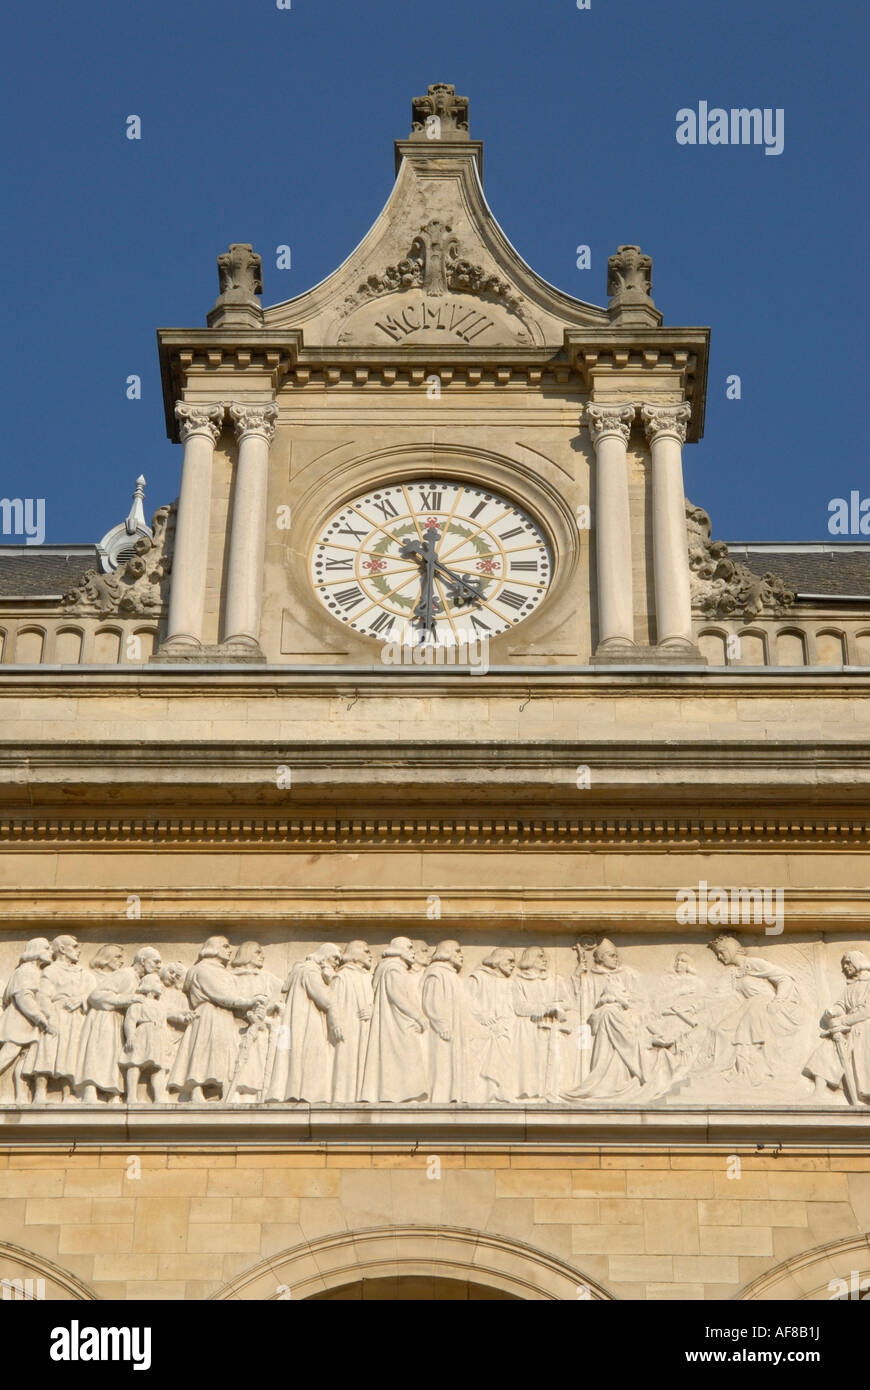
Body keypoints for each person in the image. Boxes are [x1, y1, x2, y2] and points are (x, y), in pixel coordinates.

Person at [707, 934, 801, 1084]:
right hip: (748, 1006)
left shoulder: (753, 963)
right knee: (721, 1029)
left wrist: (778, 1001)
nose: (719, 957)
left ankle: (749, 1071)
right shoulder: (735, 973)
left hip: (762, 1004)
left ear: (731, 950)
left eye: (721, 952)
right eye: (717, 953)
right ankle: (721, 1068)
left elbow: (784, 978)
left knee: (745, 1028)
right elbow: (726, 997)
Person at [562, 940, 647, 1102]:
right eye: (611, 955)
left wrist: (633, 1015)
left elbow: (639, 1000)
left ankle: (626, 1077)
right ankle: (603, 1080)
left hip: (625, 1022)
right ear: (601, 957)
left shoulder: (627, 974)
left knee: (612, 1018)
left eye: (616, 955)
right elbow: (577, 999)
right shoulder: (591, 978)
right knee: (608, 1018)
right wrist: (577, 976)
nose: (616, 959)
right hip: (603, 1025)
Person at [168, 937, 251, 1102]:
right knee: (203, 1050)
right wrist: (248, 1002)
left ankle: (225, 1090)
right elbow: (220, 994)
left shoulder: (221, 971)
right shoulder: (204, 969)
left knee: (226, 1052)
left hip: (225, 1016)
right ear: (214, 948)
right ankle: (196, 1090)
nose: (230, 950)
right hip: (209, 1014)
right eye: (225, 946)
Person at [77, 946, 162, 1102]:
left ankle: (113, 1094)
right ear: (143, 960)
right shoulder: (126, 974)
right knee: (101, 1054)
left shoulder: (140, 980)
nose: (159, 966)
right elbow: (96, 995)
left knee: (115, 1058)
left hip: (120, 1021)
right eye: (155, 962)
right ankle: (90, 1092)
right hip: (105, 1018)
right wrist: (127, 999)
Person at [266, 944, 343, 1103]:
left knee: (298, 1055)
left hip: (299, 1019)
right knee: (313, 1053)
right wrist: (332, 981)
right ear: (325, 956)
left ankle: (296, 1091)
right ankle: (310, 1094)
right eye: (335, 958)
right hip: (308, 1020)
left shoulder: (301, 969)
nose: (337, 963)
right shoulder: (310, 970)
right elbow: (325, 999)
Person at [360, 937, 427, 1103]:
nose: (413, 952)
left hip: (395, 1021)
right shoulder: (394, 968)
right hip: (398, 1023)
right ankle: (403, 1095)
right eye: (409, 948)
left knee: (394, 1058)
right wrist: (418, 1016)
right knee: (405, 1057)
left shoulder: (388, 967)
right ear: (399, 949)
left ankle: (396, 1094)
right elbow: (398, 996)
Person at [27, 935, 93, 1102]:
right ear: (62, 949)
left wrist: (81, 999)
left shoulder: (83, 973)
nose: (79, 950)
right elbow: (43, 996)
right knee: (47, 1052)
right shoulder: (51, 970)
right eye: (75, 946)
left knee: (71, 1054)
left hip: (76, 1017)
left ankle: (67, 1094)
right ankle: (40, 1092)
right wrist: (50, 1016)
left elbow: (94, 994)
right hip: (56, 1014)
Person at [803, 950, 870, 1105]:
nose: (845, 967)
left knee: (864, 1065)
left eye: (848, 963)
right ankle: (819, 1092)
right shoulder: (852, 985)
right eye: (844, 964)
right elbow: (842, 1004)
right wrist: (833, 1011)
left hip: (864, 1030)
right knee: (826, 1051)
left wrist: (843, 1021)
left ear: (857, 962)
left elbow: (867, 1010)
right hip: (848, 1030)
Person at [0, 939, 57, 1103]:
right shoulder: (27, 970)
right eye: (46, 949)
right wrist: (41, 1019)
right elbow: (24, 997)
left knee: (25, 1060)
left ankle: (21, 1097)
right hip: (18, 1022)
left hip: (28, 1024)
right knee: (7, 1056)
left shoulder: (33, 970)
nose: (50, 952)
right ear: (36, 951)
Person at [512, 946, 571, 1101]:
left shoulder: (555, 979)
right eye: (540, 956)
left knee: (553, 1060)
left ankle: (551, 1093)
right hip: (529, 1028)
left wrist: (553, 1006)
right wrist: (545, 1007)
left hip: (553, 1025)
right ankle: (533, 1094)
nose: (545, 959)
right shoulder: (519, 981)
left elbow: (568, 1002)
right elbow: (519, 1007)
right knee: (532, 1062)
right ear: (530, 959)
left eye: (544, 956)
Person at [422, 940, 474, 1103]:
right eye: (457, 951)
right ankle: (441, 1096)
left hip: (457, 1028)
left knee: (454, 1061)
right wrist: (441, 1025)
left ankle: (455, 1094)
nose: (461, 955)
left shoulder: (452, 975)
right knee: (442, 1061)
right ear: (446, 952)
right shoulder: (436, 972)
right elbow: (431, 1001)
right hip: (443, 1030)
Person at [229, 942, 283, 1100]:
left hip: (261, 1028)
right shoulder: (231, 978)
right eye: (257, 952)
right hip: (237, 1028)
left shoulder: (267, 978)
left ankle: (254, 1096)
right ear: (246, 953)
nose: (262, 956)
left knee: (257, 1065)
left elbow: (282, 995)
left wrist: (271, 1008)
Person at [467, 947, 517, 1102]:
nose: (513, 965)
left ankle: (500, 1092)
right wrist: (480, 1015)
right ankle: (482, 1094)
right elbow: (466, 1000)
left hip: (501, 1030)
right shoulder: (478, 977)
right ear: (498, 960)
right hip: (480, 1029)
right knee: (479, 1062)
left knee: (502, 1061)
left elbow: (511, 1009)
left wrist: (503, 1025)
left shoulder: (508, 983)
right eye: (510, 961)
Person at [331, 941, 374, 1103]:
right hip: (348, 1027)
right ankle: (343, 1098)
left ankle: (364, 1095)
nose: (371, 955)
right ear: (355, 954)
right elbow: (332, 1003)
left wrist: (372, 1010)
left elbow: (378, 1002)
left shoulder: (369, 977)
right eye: (366, 951)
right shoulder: (342, 976)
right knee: (346, 1061)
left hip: (366, 1029)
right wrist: (335, 1023)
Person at [122, 973, 168, 1103]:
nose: (161, 985)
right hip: (142, 1034)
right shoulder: (139, 1003)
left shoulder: (161, 1005)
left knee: (158, 1066)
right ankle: (131, 1096)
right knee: (135, 1062)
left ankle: (159, 1096)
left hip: (158, 1036)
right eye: (157, 982)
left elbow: (165, 1022)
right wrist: (130, 1036)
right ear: (149, 985)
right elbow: (130, 1020)